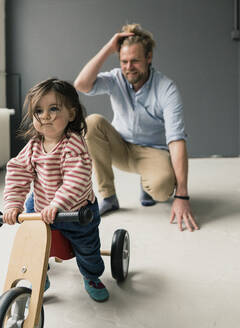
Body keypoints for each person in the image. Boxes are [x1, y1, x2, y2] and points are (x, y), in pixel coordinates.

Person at [74, 23, 199, 232]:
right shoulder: (116, 78)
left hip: (153, 152)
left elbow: (176, 140)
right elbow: (82, 84)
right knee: (92, 123)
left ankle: (148, 186)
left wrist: (182, 195)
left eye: (135, 61)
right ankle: (108, 196)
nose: (128, 67)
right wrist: (108, 48)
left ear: (149, 58)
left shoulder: (166, 89)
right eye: (124, 61)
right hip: (120, 147)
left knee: (162, 189)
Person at [2, 78, 109, 302]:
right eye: (38, 110)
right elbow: (18, 172)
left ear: (71, 114)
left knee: (87, 248)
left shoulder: (74, 144)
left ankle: (91, 277)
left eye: (53, 109)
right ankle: (39, 273)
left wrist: (57, 205)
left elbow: (75, 179)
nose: (46, 116)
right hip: (41, 207)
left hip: (76, 212)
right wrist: (13, 204)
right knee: (31, 242)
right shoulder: (32, 146)